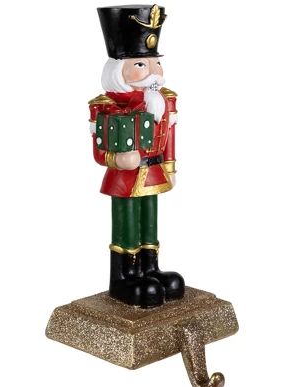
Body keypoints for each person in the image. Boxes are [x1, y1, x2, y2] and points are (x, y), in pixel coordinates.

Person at [88, 5, 184, 308]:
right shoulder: (106, 106)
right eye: (142, 64)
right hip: (125, 177)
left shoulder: (163, 101)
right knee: (127, 222)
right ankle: (124, 276)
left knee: (150, 219)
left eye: (156, 62)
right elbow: (99, 149)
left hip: (153, 171)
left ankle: (150, 267)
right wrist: (118, 160)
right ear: (119, 70)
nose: (155, 71)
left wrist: (170, 167)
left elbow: (169, 136)